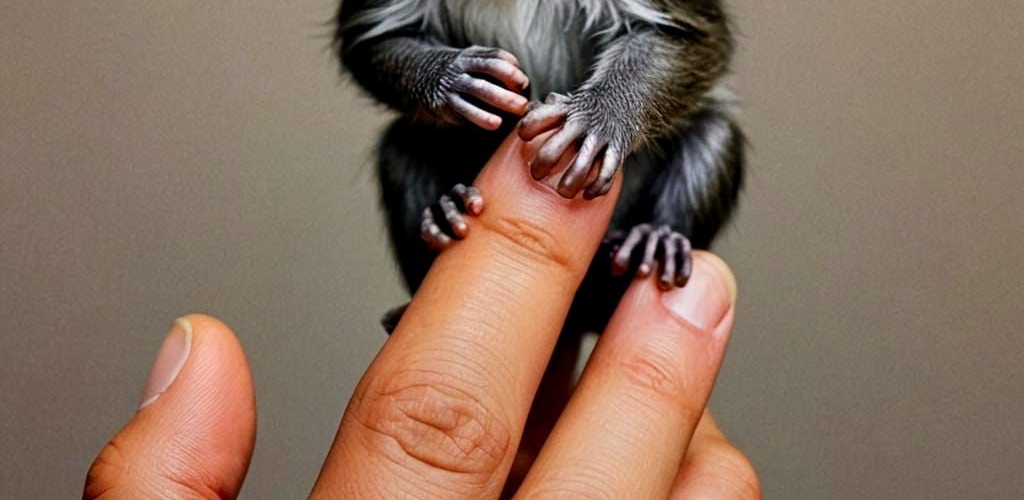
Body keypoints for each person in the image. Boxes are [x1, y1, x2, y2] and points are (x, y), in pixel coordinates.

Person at [83, 131, 761, 499]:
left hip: (626, 229)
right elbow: (374, 46)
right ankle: (443, 275)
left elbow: (688, 43)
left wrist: (608, 111)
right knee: (401, 148)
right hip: (479, 200)